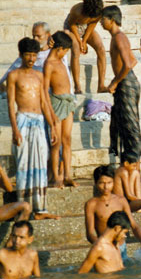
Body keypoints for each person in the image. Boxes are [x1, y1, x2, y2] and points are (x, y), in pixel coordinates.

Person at [7, 37, 59, 220]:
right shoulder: (13, 76)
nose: (31, 58)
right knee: (23, 163)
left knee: (40, 163)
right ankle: (23, 207)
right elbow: (10, 105)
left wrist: (52, 126)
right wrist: (15, 129)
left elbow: (45, 101)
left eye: (34, 55)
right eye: (28, 55)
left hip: (39, 121)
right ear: (21, 55)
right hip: (22, 120)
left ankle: (40, 209)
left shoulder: (39, 75)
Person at [100, 5, 141, 161]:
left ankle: (134, 160)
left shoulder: (119, 37)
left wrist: (115, 82)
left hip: (126, 83)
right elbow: (134, 60)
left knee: (130, 124)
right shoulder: (116, 37)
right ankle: (124, 160)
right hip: (124, 81)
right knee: (118, 122)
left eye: (103, 19)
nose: (101, 23)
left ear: (111, 20)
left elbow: (128, 64)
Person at [84, 165, 141, 257]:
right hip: (104, 249)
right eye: (102, 183)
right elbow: (90, 234)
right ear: (96, 183)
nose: (106, 187)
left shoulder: (121, 200)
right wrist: (103, 247)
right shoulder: (91, 204)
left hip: (121, 247)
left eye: (109, 182)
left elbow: (134, 226)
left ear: (113, 182)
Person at [43, 31, 78, 189]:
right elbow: (44, 90)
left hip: (68, 102)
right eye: (66, 50)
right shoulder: (49, 64)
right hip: (56, 103)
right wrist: (51, 114)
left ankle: (67, 175)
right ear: (60, 48)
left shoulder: (61, 60)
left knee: (67, 139)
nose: (66, 53)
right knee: (56, 142)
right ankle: (56, 176)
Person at [0, 22, 72, 93]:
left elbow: (66, 76)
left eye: (39, 36)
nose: (35, 39)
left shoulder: (57, 53)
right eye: (34, 36)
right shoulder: (28, 55)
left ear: (48, 35)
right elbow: (4, 80)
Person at [64, 0, 106, 94]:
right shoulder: (76, 10)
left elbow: (92, 24)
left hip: (86, 28)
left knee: (101, 48)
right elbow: (72, 25)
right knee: (75, 50)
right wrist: (79, 41)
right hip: (72, 28)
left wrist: (85, 41)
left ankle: (101, 85)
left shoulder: (99, 12)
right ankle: (77, 87)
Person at [113, 152, 141, 244]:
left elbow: (134, 195)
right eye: (133, 165)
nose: (135, 168)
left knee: (136, 173)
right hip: (120, 205)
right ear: (126, 164)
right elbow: (129, 195)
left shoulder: (131, 171)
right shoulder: (122, 171)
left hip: (129, 202)